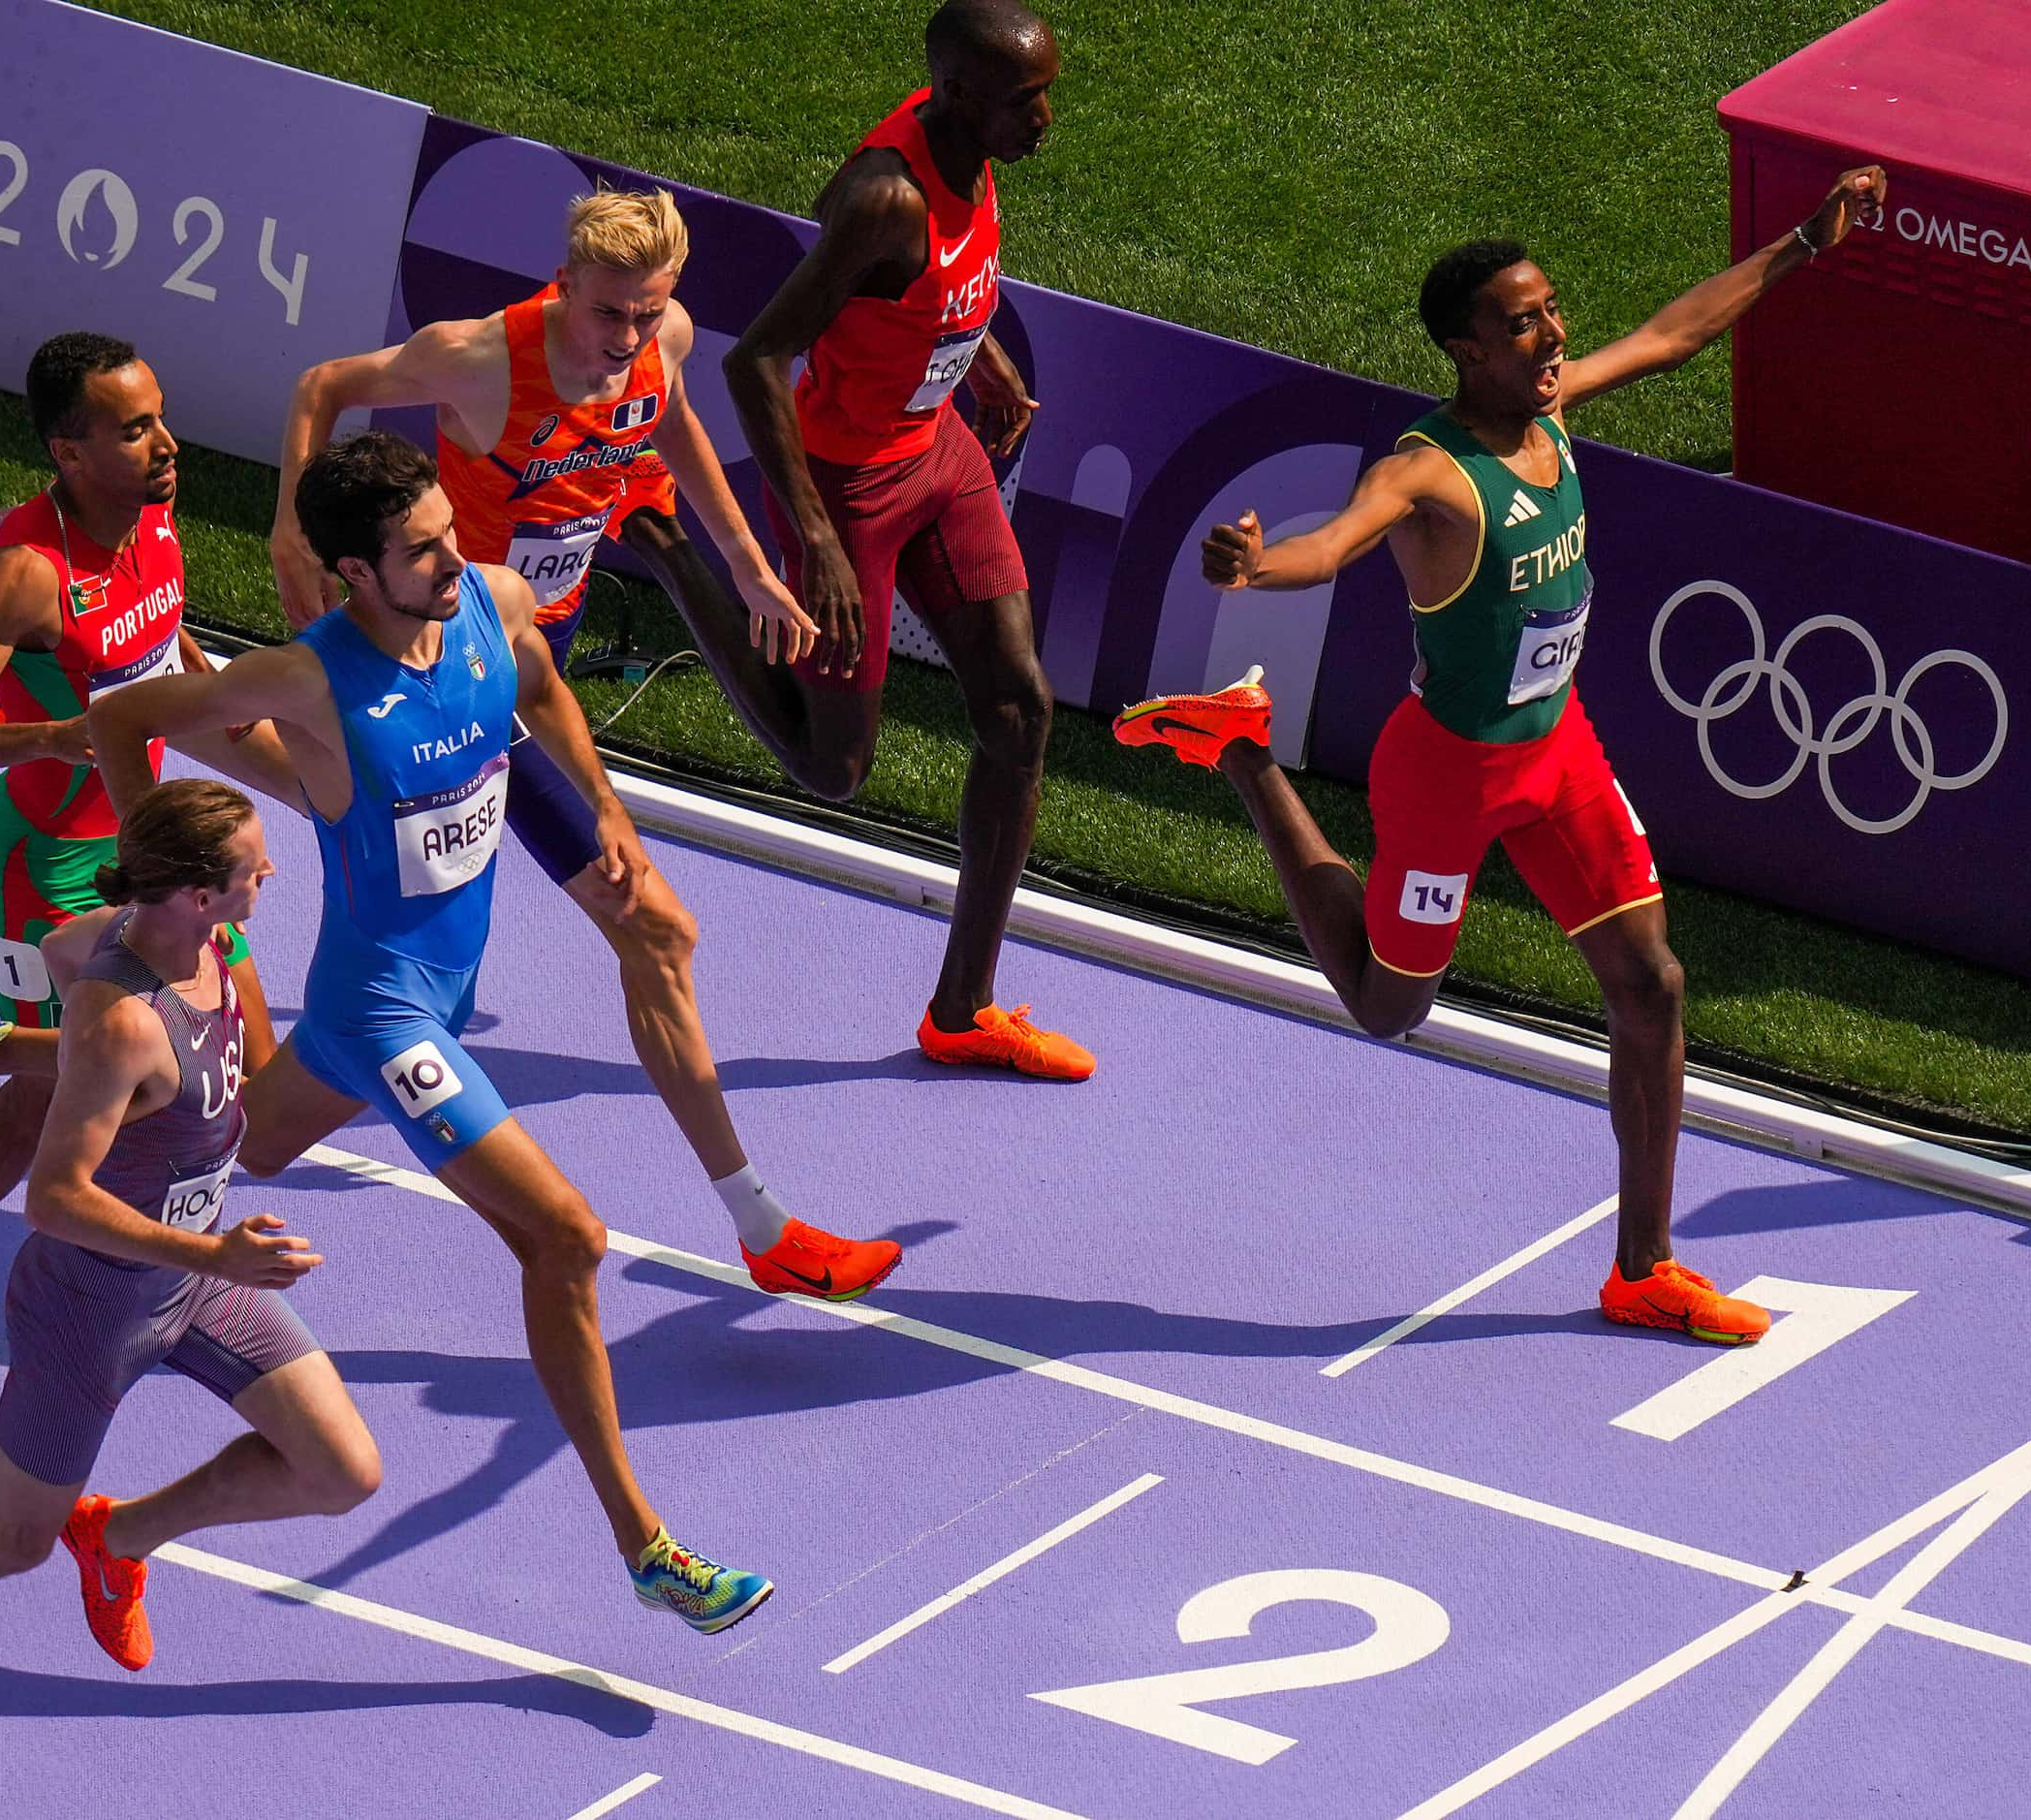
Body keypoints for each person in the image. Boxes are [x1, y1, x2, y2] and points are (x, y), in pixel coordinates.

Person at [1115, 167, 1890, 1347]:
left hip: (1558, 748)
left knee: (1651, 986)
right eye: (1522, 322)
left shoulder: (1551, 411)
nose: (1551, 334)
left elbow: (1671, 335)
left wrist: (1805, 242)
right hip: (1447, 772)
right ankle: (1243, 753)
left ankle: (1643, 1268)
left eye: (1549, 312)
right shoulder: (1423, 470)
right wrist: (1247, 568)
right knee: (1387, 1008)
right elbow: (1326, 550)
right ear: (1461, 348)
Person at [90, 429, 773, 1633]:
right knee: (564, 1241)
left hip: (436, 995)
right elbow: (127, 714)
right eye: (418, 552)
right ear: (353, 571)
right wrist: (162, 902)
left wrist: (604, 810)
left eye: (449, 534)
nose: (451, 561)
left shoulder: (493, 602)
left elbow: (544, 689)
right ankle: (649, 1551)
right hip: (384, 1010)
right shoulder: (308, 678)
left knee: (242, 1141)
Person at [266, 187, 897, 1301]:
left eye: (647, 313)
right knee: (644, 924)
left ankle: (761, 1230)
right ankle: (762, 1229)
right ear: (564, 286)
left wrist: (748, 563)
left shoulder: (661, 343)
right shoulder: (473, 361)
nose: (627, 339)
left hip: (519, 664)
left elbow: (674, 422)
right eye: (608, 314)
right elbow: (325, 386)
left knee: (650, 933)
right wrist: (291, 527)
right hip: (443, 670)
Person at [0, 779, 379, 1785]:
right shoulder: (122, 1022)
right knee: (12, 1539)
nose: (270, 874)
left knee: (339, 1472)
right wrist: (217, 1254)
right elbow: (55, 1199)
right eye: (252, 865)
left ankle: (118, 1538)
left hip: (190, 1278)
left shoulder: (189, 945)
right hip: (94, 1302)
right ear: (195, 891)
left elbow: (74, 948)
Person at [0, 332, 290, 1376]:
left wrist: (237, 722)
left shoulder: (153, 512)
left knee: (253, 1078)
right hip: (44, 857)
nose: (167, 443)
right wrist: (56, 736)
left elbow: (167, 648)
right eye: (135, 430)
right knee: (64, 1090)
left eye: (159, 416)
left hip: (139, 835)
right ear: (69, 450)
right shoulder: (27, 575)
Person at [720, 0, 1084, 1081]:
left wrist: (978, 357)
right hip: (848, 488)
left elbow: (933, 285)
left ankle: (962, 1012)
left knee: (1020, 711)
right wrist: (814, 538)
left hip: (939, 454)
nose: (1045, 118)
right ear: (958, 94)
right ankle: (675, 552)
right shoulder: (886, 197)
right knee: (834, 768)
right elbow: (754, 362)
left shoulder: (973, 143)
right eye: (1026, 101)